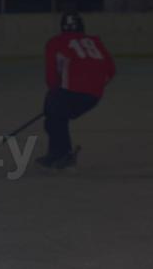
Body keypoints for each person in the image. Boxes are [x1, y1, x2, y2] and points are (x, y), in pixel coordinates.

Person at [37, 13, 116, 169]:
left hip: (70, 92)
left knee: (53, 117)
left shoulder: (55, 42)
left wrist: (53, 98)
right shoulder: (95, 41)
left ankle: (60, 153)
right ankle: (58, 153)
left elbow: (52, 76)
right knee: (58, 116)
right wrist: (94, 87)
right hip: (94, 95)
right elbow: (111, 70)